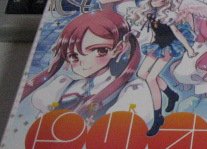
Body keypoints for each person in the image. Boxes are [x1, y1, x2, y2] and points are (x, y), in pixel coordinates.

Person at [20, 11, 149, 123]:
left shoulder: (132, 91)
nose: (84, 62)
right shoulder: (63, 86)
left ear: (118, 48)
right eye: (73, 56)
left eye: (100, 50)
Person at [127, 0, 196, 136]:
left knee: (151, 78)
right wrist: (152, 44)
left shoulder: (168, 16)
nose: (157, 0)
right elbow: (154, 31)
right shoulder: (151, 13)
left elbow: (177, 33)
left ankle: (158, 117)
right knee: (142, 73)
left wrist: (189, 49)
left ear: (168, 2)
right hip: (157, 44)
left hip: (169, 46)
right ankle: (171, 94)